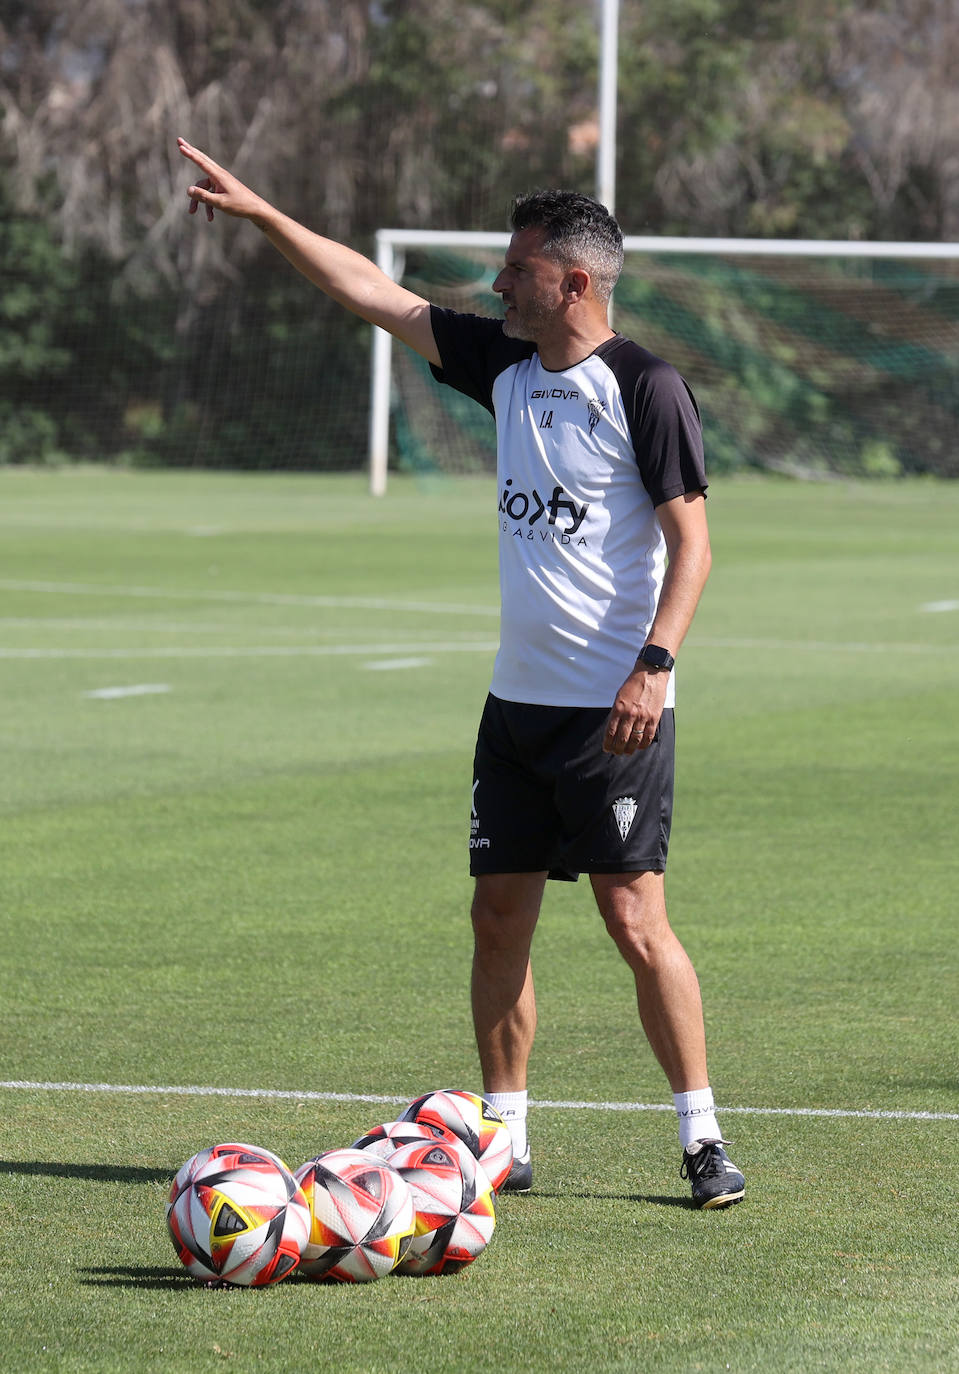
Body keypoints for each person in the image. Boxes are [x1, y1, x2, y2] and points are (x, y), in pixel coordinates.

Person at [177, 138, 746, 1209]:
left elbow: (694, 545)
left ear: (572, 280)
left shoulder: (645, 388)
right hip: (515, 707)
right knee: (497, 917)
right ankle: (502, 1133)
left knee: (635, 923)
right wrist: (260, 214)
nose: (498, 282)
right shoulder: (502, 366)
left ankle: (700, 1135)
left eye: (517, 267)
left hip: (614, 714)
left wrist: (651, 667)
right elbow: (370, 292)